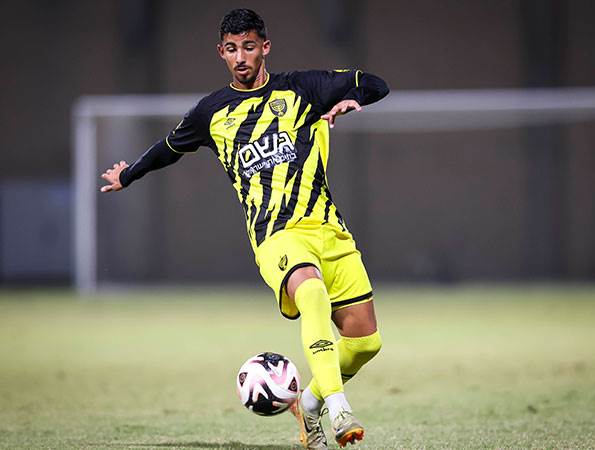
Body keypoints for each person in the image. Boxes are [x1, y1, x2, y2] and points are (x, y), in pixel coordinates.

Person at [100, 8, 388, 449]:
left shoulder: (303, 88)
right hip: (276, 235)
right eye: (232, 49)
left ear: (264, 48)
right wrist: (128, 174)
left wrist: (354, 99)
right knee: (311, 292)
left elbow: (374, 83)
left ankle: (309, 402)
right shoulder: (212, 112)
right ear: (221, 52)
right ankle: (339, 409)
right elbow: (168, 148)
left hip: (330, 231)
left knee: (366, 343)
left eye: (248, 47)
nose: (240, 57)